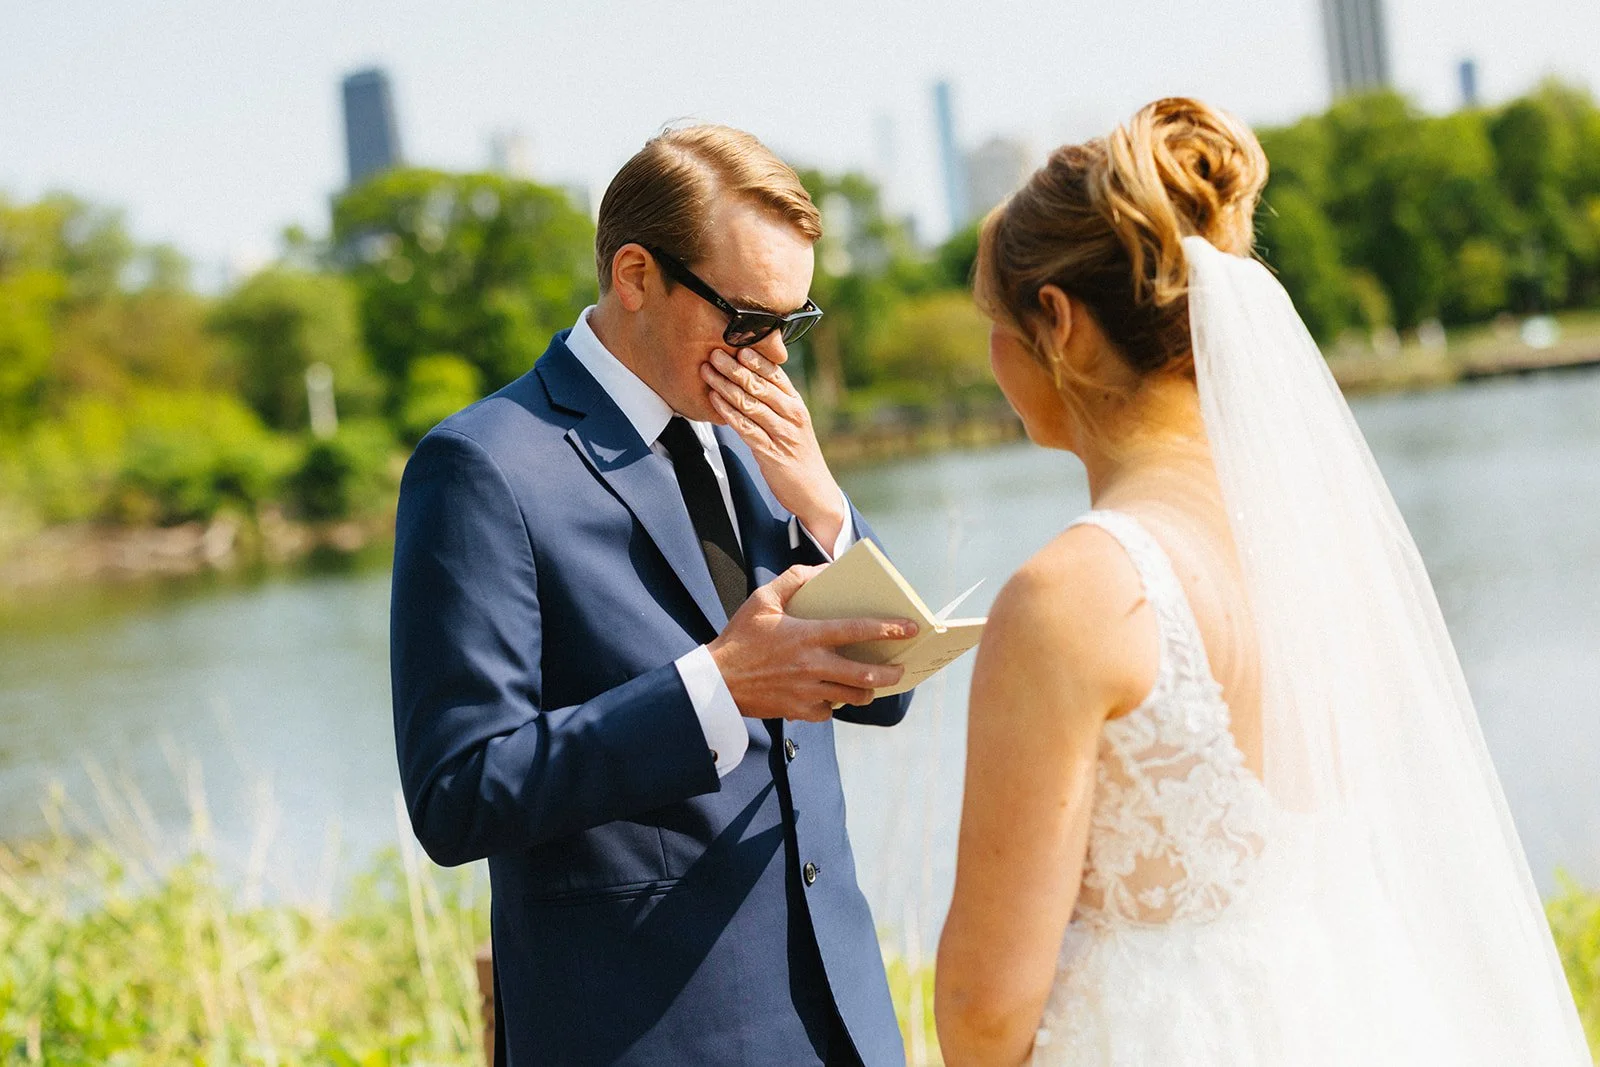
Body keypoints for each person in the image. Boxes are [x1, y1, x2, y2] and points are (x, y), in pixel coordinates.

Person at [934, 98, 1594, 1066]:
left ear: (1061, 325)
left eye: (995, 322)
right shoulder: (1314, 549)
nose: (992, 357)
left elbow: (986, 1009)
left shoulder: (1071, 594)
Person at [390, 124, 918, 1066]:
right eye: (747, 319)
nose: (771, 360)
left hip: (843, 1027)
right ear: (636, 276)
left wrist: (824, 504)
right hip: (645, 1036)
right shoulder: (481, 466)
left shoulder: (759, 440)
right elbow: (458, 793)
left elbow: (893, 691)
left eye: (791, 326)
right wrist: (715, 684)